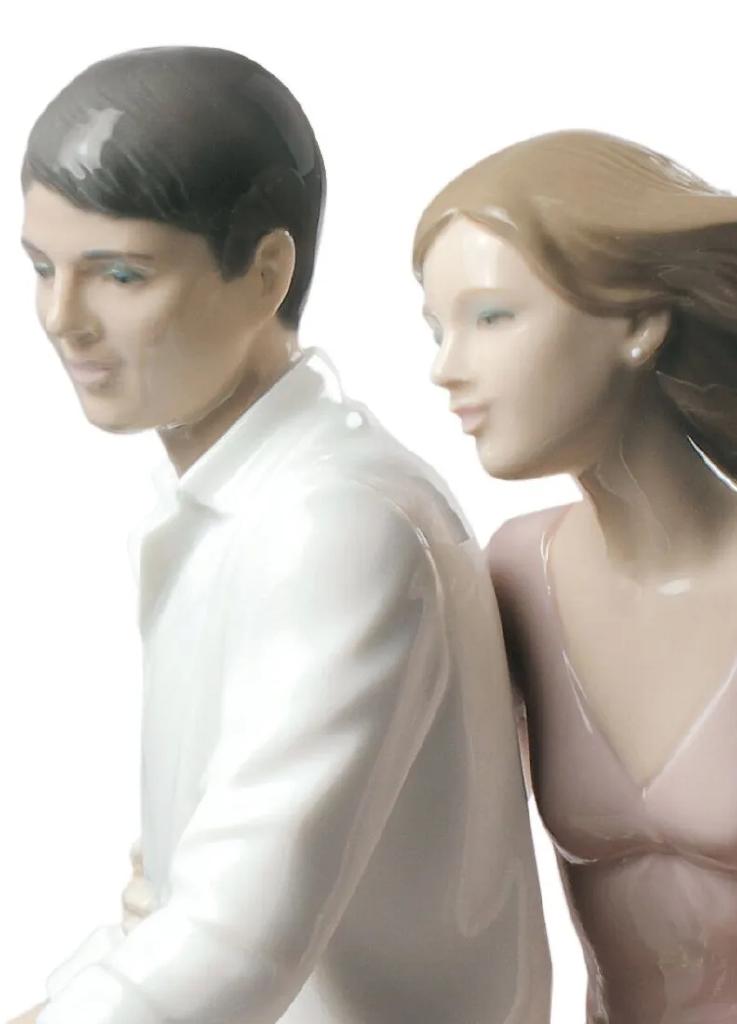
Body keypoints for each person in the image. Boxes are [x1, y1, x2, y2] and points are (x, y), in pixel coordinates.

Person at [13, 47, 550, 1024]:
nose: (61, 318)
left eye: (119, 274)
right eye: (42, 268)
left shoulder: (333, 522)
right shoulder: (233, 502)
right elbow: (176, 907)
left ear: (264, 274)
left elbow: (231, 945)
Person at [414, 128, 737, 1024]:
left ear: (636, 323)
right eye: (436, 329)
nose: (444, 368)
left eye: (490, 317)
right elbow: (410, 815)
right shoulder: (516, 574)